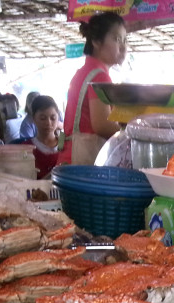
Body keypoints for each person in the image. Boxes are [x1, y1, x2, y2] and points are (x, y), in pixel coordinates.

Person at [63, 11, 127, 165]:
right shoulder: (100, 76)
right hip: (83, 162)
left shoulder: (84, 72)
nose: (123, 46)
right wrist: (131, 131)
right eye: (117, 39)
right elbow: (102, 125)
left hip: (69, 158)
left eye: (125, 40)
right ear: (97, 41)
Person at [27, 95, 62, 179]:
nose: (48, 123)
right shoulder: (27, 149)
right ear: (33, 119)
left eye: (53, 118)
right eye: (43, 118)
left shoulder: (67, 145)